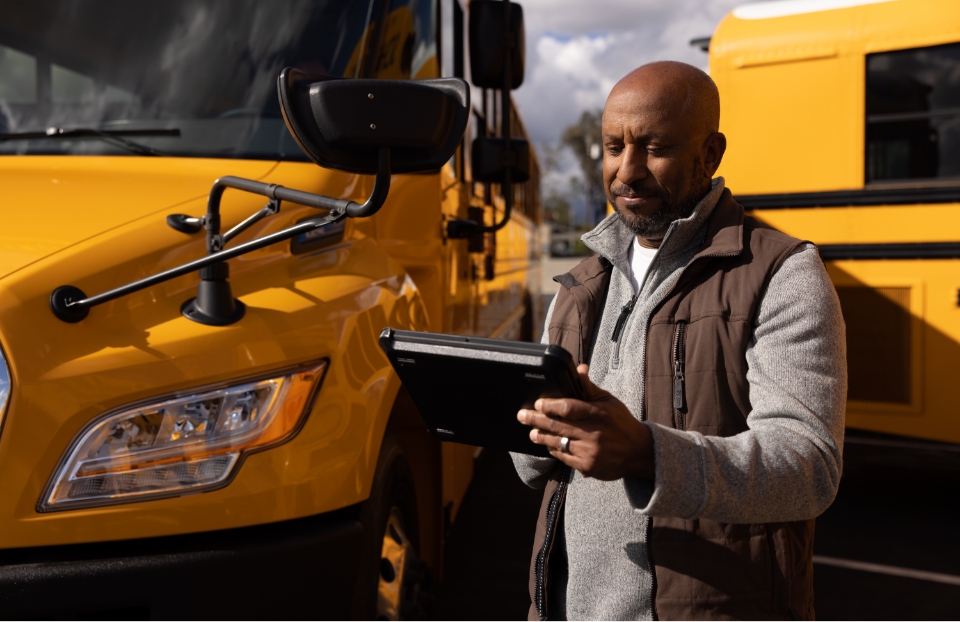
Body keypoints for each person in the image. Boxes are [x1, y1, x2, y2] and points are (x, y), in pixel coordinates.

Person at [512, 61, 847, 621]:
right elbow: (534, 464)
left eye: (655, 147)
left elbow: (809, 466)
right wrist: (517, 422)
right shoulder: (581, 282)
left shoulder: (782, 272)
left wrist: (647, 453)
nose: (627, 170)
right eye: (613, 146)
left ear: (711, 154)